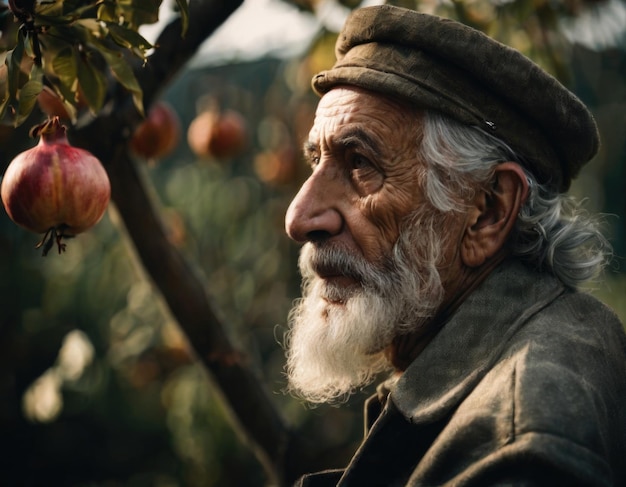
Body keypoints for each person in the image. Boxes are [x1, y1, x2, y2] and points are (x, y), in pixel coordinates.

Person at [282, 5, 626, 486]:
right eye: (315, 161)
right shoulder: (542, 340)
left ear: (487, 211)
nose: (299, 218)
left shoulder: (522, 447)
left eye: (360, 163)